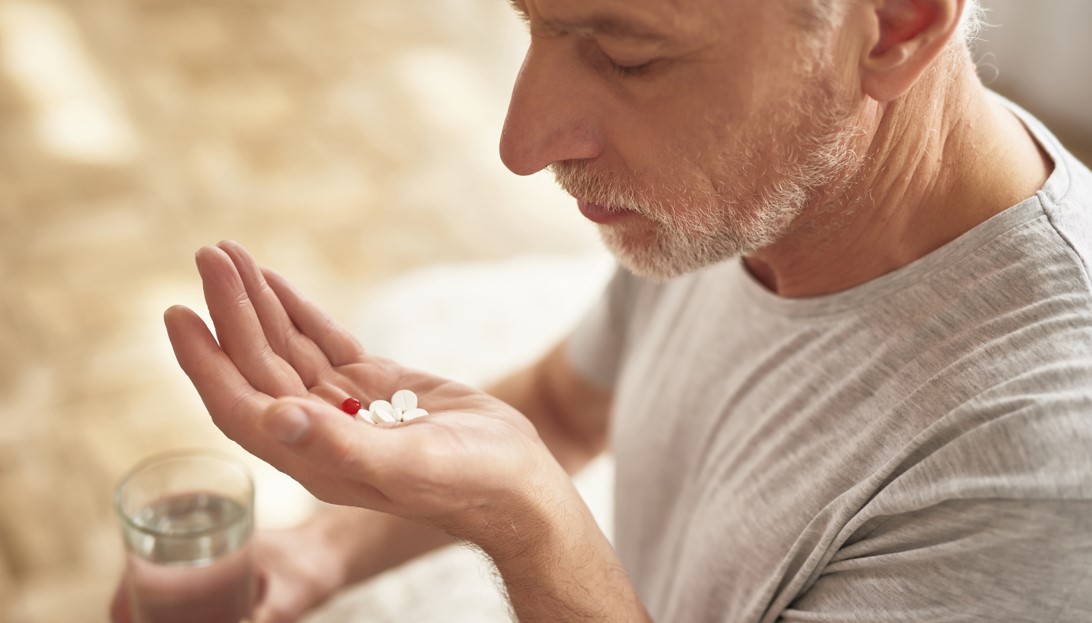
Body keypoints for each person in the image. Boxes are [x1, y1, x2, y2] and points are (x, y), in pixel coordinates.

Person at [113, 0, 1092, 621]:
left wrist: (529, 522)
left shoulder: (1042, 469)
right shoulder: (744, 200)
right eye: (536, 21)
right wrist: (313, 552)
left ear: (898, 22)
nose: (522, 142)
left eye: (627, 57)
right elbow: (573, 404)